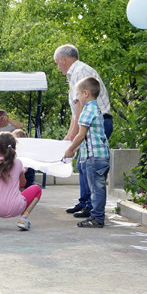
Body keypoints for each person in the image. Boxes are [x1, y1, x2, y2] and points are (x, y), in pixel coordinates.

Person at [54, 44, 111, 217]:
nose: (58, 67)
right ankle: (85, 202)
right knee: (83, 164)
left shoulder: (79, 72)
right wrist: (70, 135)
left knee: (88, 166)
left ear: (63, 60)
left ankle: (91, 207)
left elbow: (80, 106)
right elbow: (75, 110)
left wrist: (73, 137)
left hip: (95, 124)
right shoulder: (77, 71)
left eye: (57, 63)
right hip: (89, 123)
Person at [62, 76, 111, 227]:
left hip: (94, 158)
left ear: (85, 93)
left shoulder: (87, 111)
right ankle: (97, 216)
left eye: (78, 94)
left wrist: (70, 150)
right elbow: (88, 137)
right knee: (99, 187)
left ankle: (97, 218)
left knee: (96, 189)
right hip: (101, 156)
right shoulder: (96, 109)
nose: (77, 98)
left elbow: (81, 135)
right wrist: (76, 148)